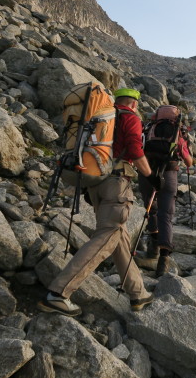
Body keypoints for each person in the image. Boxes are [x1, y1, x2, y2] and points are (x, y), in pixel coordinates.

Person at [38, 88, 154, 317]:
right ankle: (58, 294)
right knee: (108, 234)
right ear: (134, 103)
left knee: (118, 236)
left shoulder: (99, 117)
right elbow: (134, 148)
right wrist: (151, 176)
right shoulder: (130, 117)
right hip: (116, 184)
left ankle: (137, 293)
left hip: (95, 183)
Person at [138, 106, 193, 277]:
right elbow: (189, 161)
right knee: (166, 215)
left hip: (147, 173)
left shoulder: (148, 128)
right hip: (169, 175)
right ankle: (163, 261)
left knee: (150, 208)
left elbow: (138, 148)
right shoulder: (178, 132)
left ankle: (153, 247)